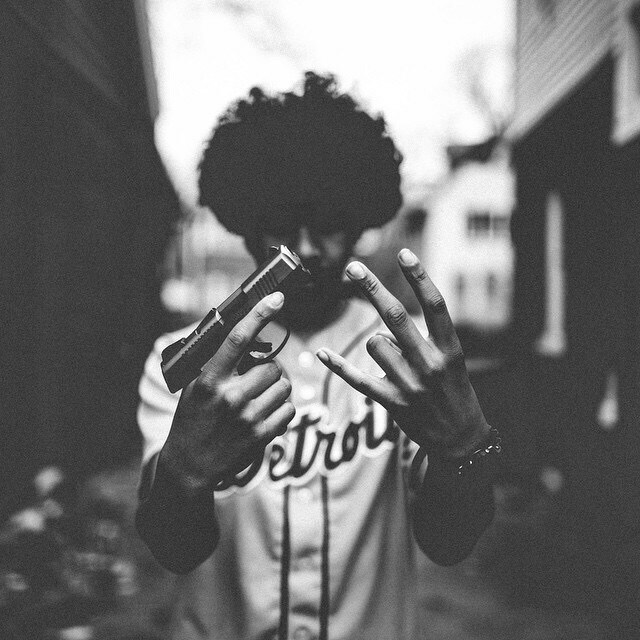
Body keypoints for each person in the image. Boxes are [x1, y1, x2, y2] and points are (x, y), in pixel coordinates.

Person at [135, 72, 500, 640]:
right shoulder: (185, 363)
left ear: (359, 225)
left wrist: (465, 448)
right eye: (282, 225)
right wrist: (183, 473)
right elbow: (172, 550)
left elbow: (448, 543)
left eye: (329, 225)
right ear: (246, 225)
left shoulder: (403, 357)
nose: (305, 248)